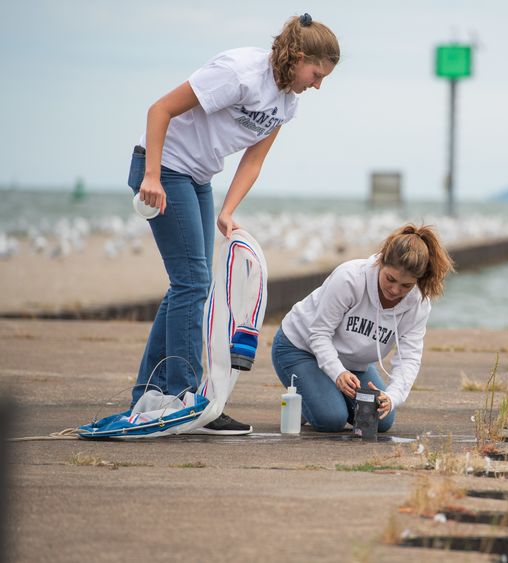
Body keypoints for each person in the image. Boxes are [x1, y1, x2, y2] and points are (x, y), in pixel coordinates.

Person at [127, 14, 340, 435]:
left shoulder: (287, 103)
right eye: (316, 75)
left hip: (198, 177)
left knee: (188, 284)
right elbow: (160, 110)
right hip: (165, 169)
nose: (318, 85)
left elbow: (254, 160)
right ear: (298, 58)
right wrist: (151, 176)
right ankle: (187, 397)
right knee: (192, 282)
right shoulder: (239, 72)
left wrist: (228, 209)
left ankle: (148, 391)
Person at [271, 224, 454, 432]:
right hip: (299, 348)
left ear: (417, 282)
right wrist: (337, 373)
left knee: (382, 420)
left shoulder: (419, 303)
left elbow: (409, 357)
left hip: (351, 363)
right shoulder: (350, 278)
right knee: (332, 418)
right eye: (390, 279)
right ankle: (311, 399)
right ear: (381, 261)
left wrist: (392, 397)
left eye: (406, 286)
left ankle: (323, 391)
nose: (395, 290)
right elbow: (319, 333)